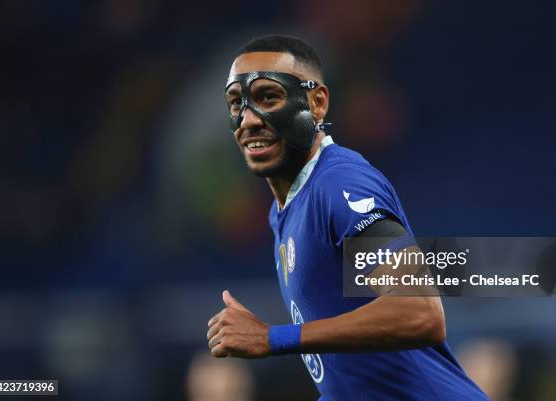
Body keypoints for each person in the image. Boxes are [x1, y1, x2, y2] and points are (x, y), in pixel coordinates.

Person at [207, 34, 489, 401]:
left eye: (268, 97)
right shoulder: (286, 210)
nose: (248, 119)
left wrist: (271, 338)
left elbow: (418, 311)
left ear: (317, 102)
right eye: (235, 103)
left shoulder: (339, 185)